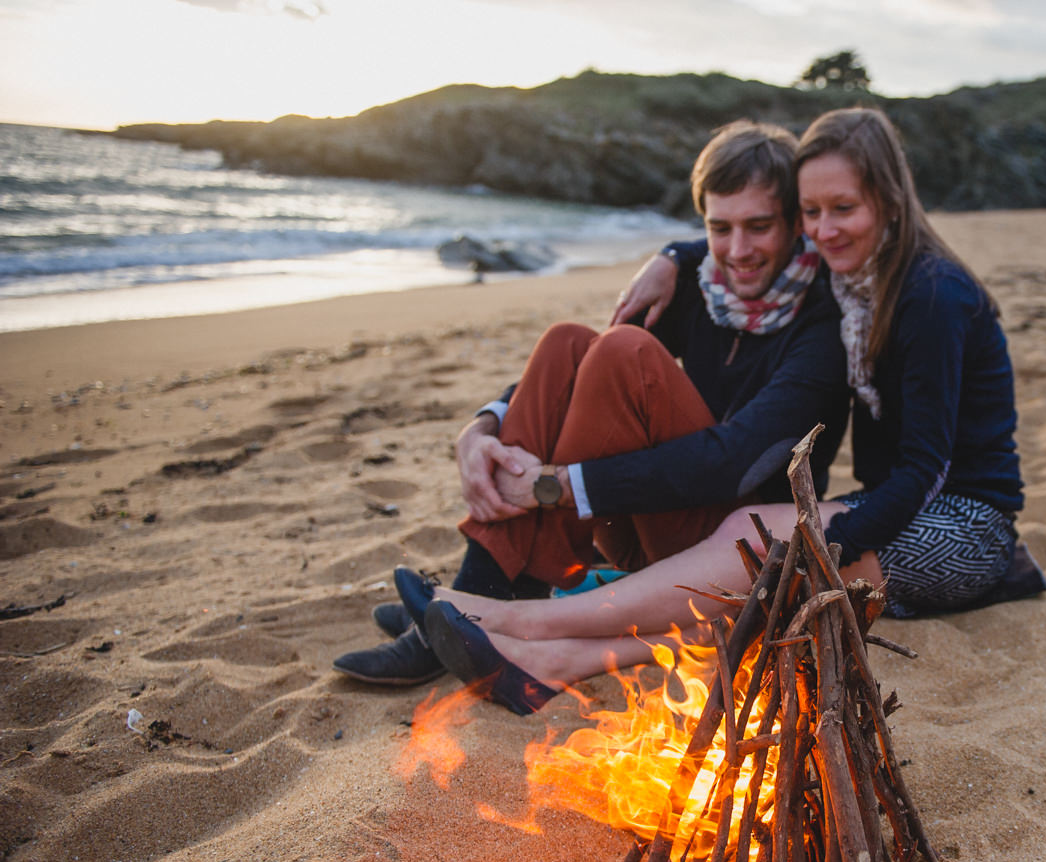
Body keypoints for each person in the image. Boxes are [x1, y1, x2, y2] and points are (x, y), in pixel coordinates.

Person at [413, 106, 1038, 716]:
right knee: (767, 568)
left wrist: (827, 536)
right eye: (815, 212)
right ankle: (531, 636)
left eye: (843, 209)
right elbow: (740, 232)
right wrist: (674, 254)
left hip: (962, 523)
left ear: (891, 202)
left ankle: (526, 623)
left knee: (772, 580)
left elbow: (927, 469)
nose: (824, 229)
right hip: (899, 499)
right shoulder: (851, 272)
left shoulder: (930, 295)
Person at [332, 120, 850, 687]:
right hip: (649, 527)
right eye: (718, 228)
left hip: (733, 554)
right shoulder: (702, 283)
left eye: (759, 227)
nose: (737, 250)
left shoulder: (823, 324)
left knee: (625, 350)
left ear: (796, 222)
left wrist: (553, 483)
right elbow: (574, 371)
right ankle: (490, 590)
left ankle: (485, 597)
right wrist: (484, 423)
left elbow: (732, 461)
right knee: (568, 341)